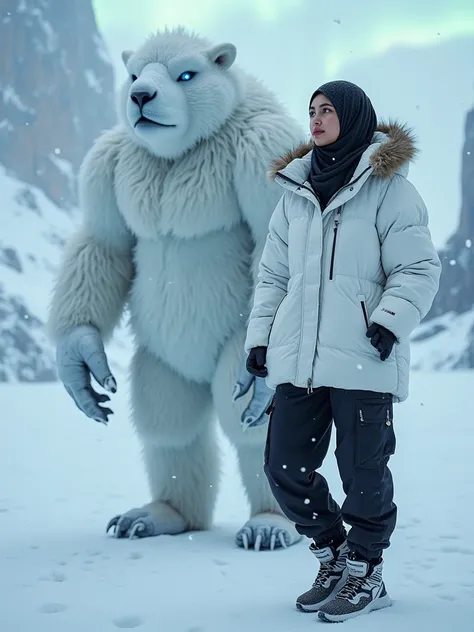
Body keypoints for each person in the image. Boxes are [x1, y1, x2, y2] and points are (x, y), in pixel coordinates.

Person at [243, 80, 441, 623]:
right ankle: (334, 556)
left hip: (362, 356)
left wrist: (389, 321)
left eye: (327, 110)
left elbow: (418, 268)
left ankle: (367, 571)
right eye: (311, 110)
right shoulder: (295, 192)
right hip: (299, 358)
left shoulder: (390, 189)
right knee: (284, 466)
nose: (316, 118)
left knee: (363, 471)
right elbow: (273, 276)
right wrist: (260, 337)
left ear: (353, 117)